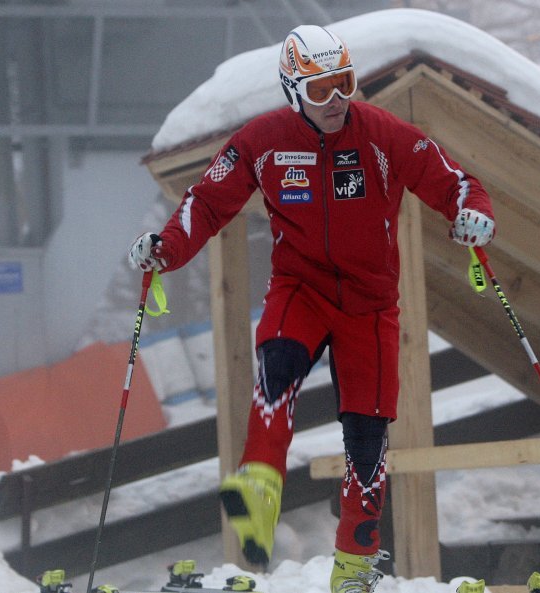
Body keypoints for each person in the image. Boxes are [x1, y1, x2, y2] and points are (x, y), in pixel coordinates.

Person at [129, 24, 495, 593]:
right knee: (278, 362)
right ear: (293, 90)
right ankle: (258, 488)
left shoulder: (379, 132)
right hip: (301, 288)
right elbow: (205, 200)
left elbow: (453, 182)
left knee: (367, 438)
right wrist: (165, 249)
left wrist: (472, 212)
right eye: (321, 89)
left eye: (345, 83)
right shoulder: (263, 139)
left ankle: (353, 564)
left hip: (371, 306)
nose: (337, 100)